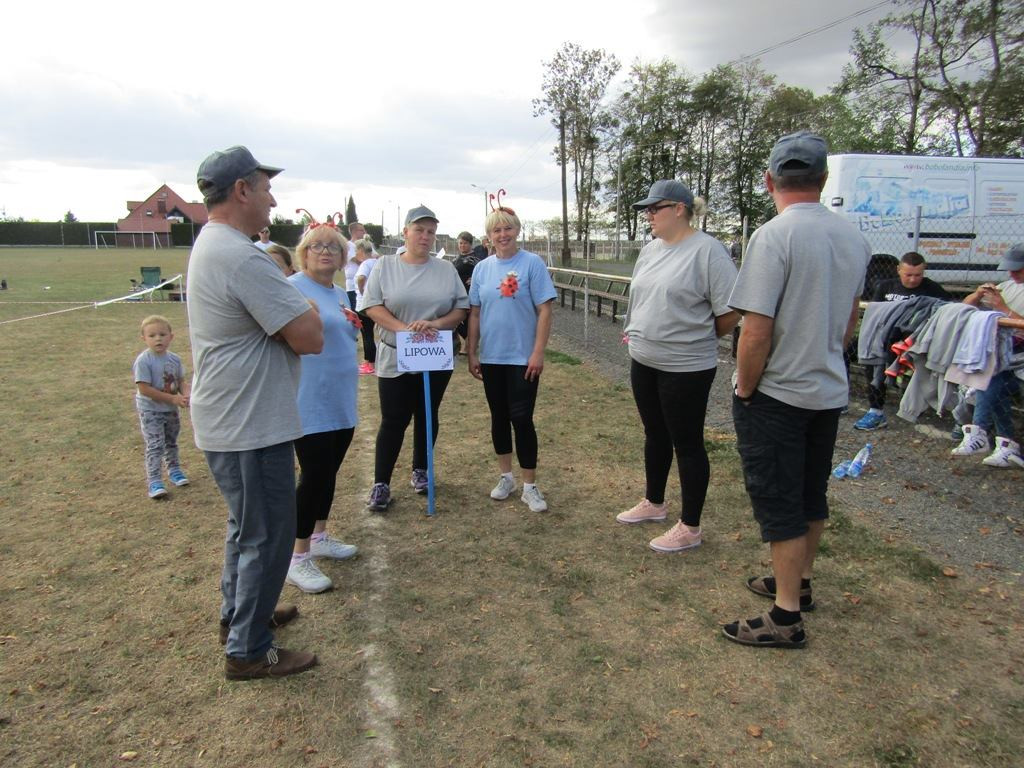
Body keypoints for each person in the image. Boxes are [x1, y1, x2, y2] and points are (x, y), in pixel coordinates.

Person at [723, 131, 869, 649]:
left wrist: (745, 386)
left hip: (780, 394)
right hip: (827, 389)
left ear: (770, 181)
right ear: (823, 180)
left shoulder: (774, 235)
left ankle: (785, 617)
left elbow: (755, 329)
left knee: (779, 498)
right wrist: (826, 353)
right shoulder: (853, 238)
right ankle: (798, 585)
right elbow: (849, 318)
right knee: (810, 492)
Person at [188, 145, 323, 679]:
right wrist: (307, 308)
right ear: (241, 190)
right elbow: (309, 336)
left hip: (233, 418)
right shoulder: (242, 255)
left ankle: (241, 617)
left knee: (247, 529)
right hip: (248, 423)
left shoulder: (215, 244)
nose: (273, 199)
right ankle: (248, 649)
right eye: (265, 188)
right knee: (266, 533)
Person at [614, 180, 739, 552]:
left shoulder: (708, 251)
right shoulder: (651, 250)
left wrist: (696, 335)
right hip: (644, 358)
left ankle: (691, 526)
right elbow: (641, 296)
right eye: (647, 210)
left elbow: (730, 310)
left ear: (680, 209)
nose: (648, 215)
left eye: (655, 208)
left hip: (685, 366)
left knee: (687, 443)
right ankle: (654, 502)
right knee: (655, 433)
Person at [362, 206, 469, 511]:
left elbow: (460, 309)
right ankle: (381, 483)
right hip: (396, 354)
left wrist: (434, 325)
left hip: (434, 354)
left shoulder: (446, 270)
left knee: (427, 412)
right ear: (406, 232)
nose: (425, 236)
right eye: (419, 230)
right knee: (393, 418)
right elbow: (372, 306)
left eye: (431, 231)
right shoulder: (384, 266)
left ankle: (421, 470)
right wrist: (405, 330)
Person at [284, 220, 361, 593]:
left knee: (329, 471)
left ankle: (319, 534)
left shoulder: (341, 293)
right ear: (304, 253)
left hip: (341, 395)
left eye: (333, 247)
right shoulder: (293, 289)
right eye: (318, 246)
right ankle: (297, 557)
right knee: (313, 475)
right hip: (310, 397)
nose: (326, 252)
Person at [467, 202, 558, 513]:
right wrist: (472, 350)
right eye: (496, 229)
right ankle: (506, 477)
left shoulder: (532, 264)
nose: (502, 234)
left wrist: (537, 351)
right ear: (489, 235)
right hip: (492, 357)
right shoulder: (482, 269)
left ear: (517, 230)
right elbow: (476, 313)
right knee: (499, 417)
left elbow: (545, 309)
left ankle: (530, 485)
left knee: (522, 418)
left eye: (507, 228)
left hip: (523, 358)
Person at [854, 251, 952, 431]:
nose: (913, 280)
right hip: (886, 339)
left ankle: (920, 409)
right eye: (908, 275)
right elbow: (875, 313)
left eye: (918, 275)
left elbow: (947, 312)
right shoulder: (885, 286)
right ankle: (875, 411)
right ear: (898, 270)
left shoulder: (932, 288)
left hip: (915, 342)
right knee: (873, 365)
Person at [951, 243, 1024, 467]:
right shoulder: (1008, 286)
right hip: (1007, 361)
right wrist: (977, 294)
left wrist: (1002, 307)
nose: (1011, 274)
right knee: (992, 379)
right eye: (1010, 269)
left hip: (1018, 362)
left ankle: (980, 432)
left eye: (1017, 270)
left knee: (989, 378)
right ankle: (1004, 445)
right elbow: (963, 309)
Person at [133, 314, 190, 499]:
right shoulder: (144, 361)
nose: (158, 339)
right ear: (144, 339)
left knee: (171, 442)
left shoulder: (174, 359)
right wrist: (172, 399)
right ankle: (155, 481)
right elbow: (144, 389)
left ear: (171, 337)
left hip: (170, 411)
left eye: (162, 334)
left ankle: (174, 470)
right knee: (155, 444)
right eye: (152, 335)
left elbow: (180, 381)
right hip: (151, 411)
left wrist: (187, 394)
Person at [354, 238, 378, 375]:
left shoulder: (365, 264)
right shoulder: (376, 262)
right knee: (370, 334)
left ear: (362, 251)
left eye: (356, 250)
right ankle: (370, 362)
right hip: (374, 303)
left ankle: (370, 363)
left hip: (363, 305)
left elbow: (361, 278)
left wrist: (363, 291)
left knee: (366, 334)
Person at [453, 231, 480, 348]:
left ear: (470, 244)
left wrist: (475, 279)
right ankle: (467, 341)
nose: (462, 245)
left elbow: (482, 273)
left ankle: (469, 344)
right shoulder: (456, 259)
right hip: (456, 293)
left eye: (464, 243)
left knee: (467, 320)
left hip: (469, 293)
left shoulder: (475, 260)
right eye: (460, 243)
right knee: (455, 319)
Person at [344, 222, 367, 311]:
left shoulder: (366, 244)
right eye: (361, 230)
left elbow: (377, 258)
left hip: (367, 285)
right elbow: (358, 260)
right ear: (354, 232)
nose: (364, 232)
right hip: (353, 287)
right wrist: (369, 258)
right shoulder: (348, 246)